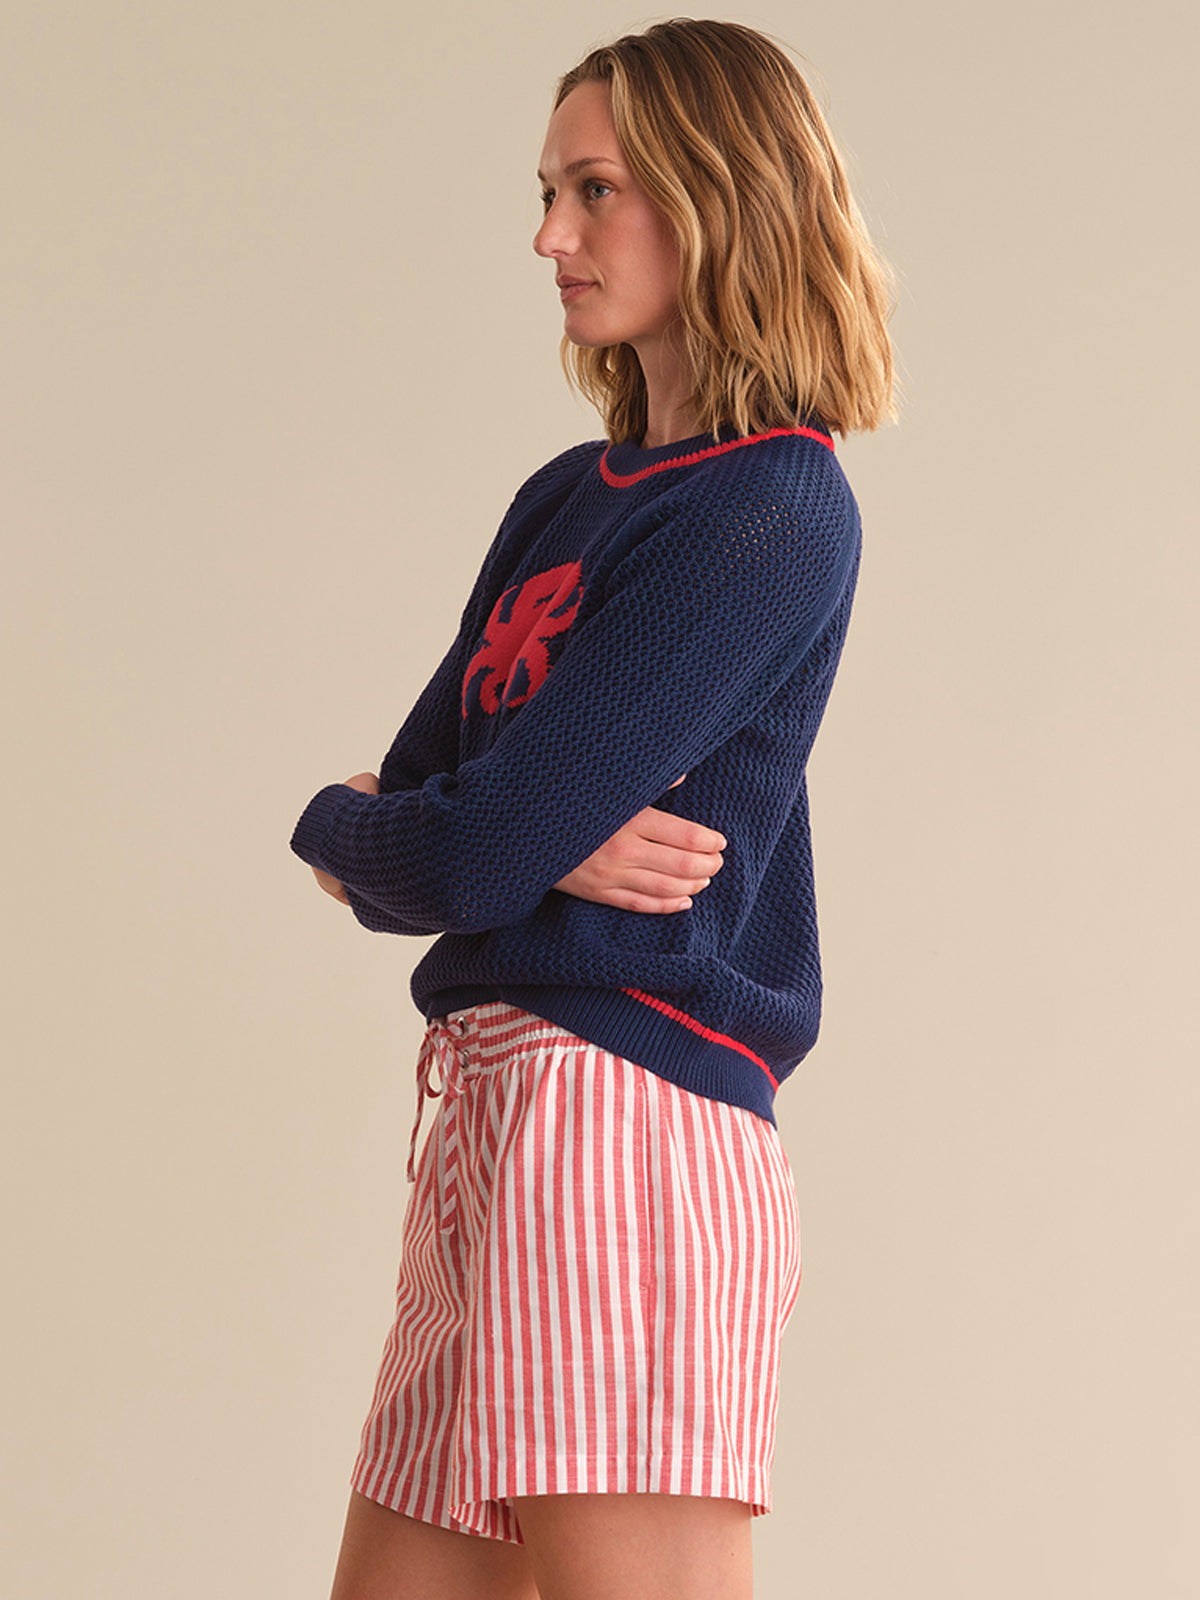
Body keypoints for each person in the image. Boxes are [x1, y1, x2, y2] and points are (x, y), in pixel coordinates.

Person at [291, 18, 894, 1599]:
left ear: (723, 199)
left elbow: (455, 842)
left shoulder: (774, 502)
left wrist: (453, 838)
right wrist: (363, 823)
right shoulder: (566, 498)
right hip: (491, 1117)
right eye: (548, 190)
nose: (550, 236)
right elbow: (423, 811)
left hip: (623, 1123)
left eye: (596, 190)